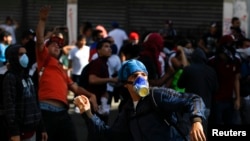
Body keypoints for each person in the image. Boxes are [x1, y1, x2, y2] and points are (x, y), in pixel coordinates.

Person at [74, 59, 207, 141]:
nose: (141, 79)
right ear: (126, 83)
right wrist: (88, 113)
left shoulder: (158, 95)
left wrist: (196, 121)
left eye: (143, 75)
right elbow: (110, 135)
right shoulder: (128, 111)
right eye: (135, 76)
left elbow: (193, 99)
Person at [36, 5, 98, 141]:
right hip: (46, 112)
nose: (57, 45)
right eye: (53, 44)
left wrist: (90, 95)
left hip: (63, 113)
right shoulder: (44, 59)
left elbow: (75, 88)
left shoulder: (62, 68)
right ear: (46, 48)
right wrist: (42, 20)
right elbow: (40, 40)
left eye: (59, 44)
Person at [1, 45, 47, 141]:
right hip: (20, 133)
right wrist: (14, 132)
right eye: (21, 54)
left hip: (32, 131)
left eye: (25, 53)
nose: (24, 56)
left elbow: (35, 104)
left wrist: (42, 128)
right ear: (13, 57)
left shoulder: (28, 77)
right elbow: (10, 107)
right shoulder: (10, 77)